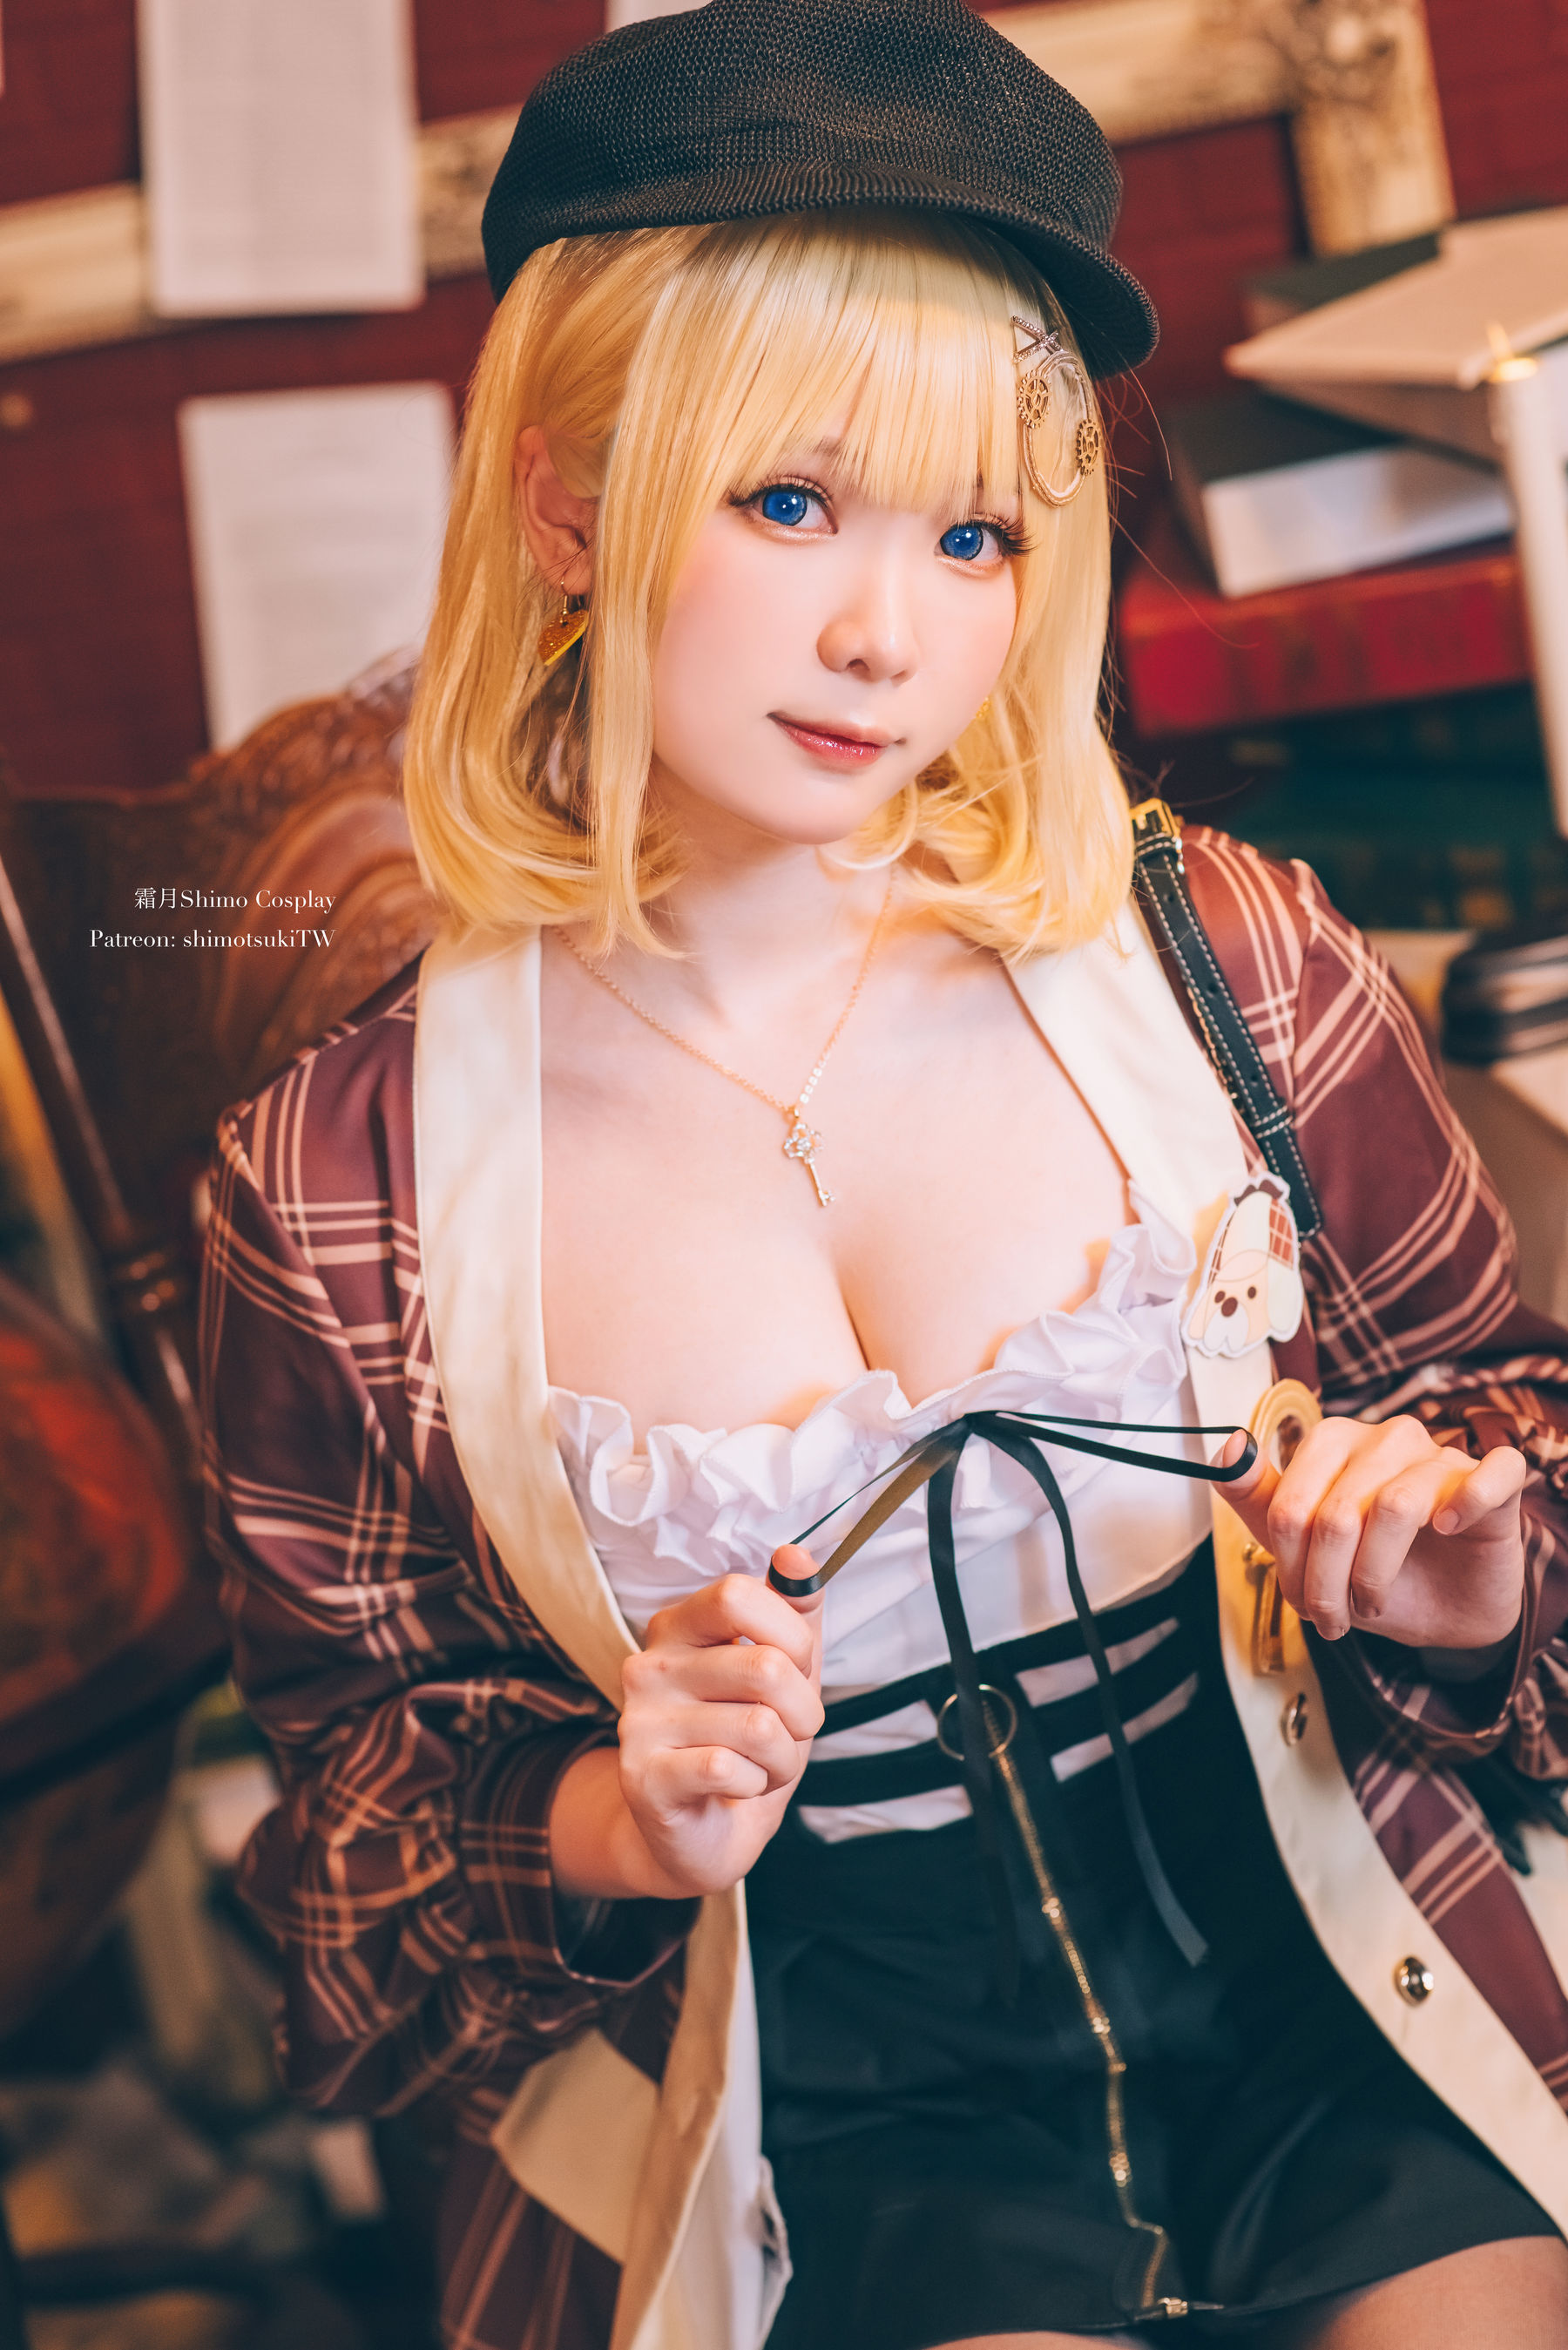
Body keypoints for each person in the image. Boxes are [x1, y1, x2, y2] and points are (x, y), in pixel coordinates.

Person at [198, 3, 1568, 2346]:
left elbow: (1510, 1414)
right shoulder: (342, 1184)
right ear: (563, 501)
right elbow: (342, 1858)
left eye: (974, 533)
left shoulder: (1232, 956)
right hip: (821, 2116)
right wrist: (612, 1818)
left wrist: (1468, 1562)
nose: (884, 634)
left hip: (1335, 1986)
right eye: (788, 501)